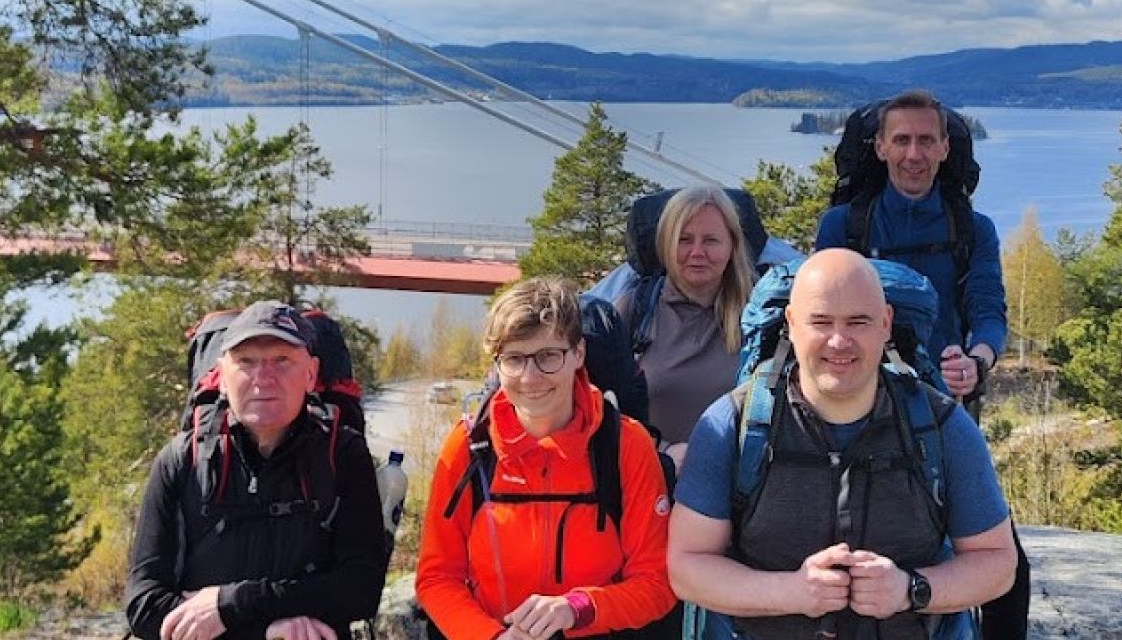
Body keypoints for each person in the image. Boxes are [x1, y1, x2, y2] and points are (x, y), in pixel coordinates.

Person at [666, 250, 1015, 640]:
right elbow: (687, 567)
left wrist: (909, 590)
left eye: (858, 322)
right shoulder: (732, 424)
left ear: (886, 324)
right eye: (821, 322)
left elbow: (997, 562)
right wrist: (790, 593)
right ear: (791, 324)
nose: (839, 341)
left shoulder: (942, 426)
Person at [813, 90, 1028, 640]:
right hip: (860, 405)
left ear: (945, 148)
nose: (915, 154)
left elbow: (988, 310)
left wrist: (976, 362)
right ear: (881, 148)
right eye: (902, 140)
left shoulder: (972, 229)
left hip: (944, 406)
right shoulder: (844, 226)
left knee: (1006, 568)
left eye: (927, 140)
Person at [417, 278, 676, 640]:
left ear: (578, 354)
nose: (531, 377)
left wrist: (577, 608)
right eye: (514, 359)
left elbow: (657, 583)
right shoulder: (469, 446)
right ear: (496, 365)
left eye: (548, 356)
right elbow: (436, 577)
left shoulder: (626, 445)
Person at [127, 301, 387, 640]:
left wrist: (230, 604)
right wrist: (269, 629)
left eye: (282, 360)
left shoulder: (342, 454)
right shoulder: (182, 460)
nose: (263, 377)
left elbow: (361, 590)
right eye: (246, 361)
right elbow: (144, 606)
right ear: (222, 376)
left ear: (310, 374)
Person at [610, 186, 760, 463]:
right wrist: (664, 452)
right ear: (665, 245)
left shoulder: (760, 314)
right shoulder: (633, 311)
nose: (697, 252)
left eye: (711, 241)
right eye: (684, 240)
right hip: (653, 475)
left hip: (738, 482)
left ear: (732, 245)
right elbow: (600, 411)